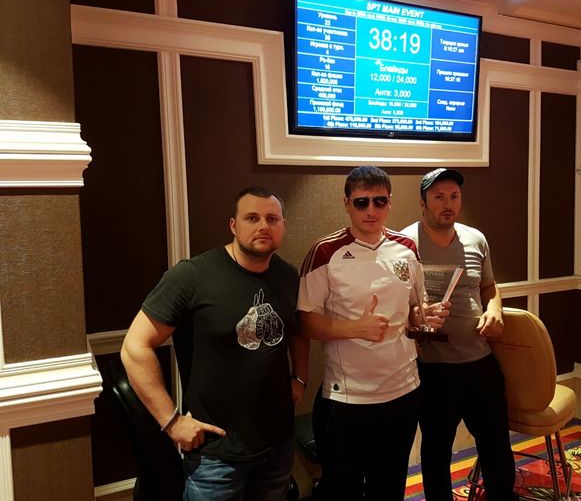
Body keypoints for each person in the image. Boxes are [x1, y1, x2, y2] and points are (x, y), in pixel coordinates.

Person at [121, 186, 309, 501]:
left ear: (283, 226)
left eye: (272, 219)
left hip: (277, 444)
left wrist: (300, 377)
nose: (263, 226)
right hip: (216, 455)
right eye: (252, 218)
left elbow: (298, 330)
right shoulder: (192, 276)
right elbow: (134, 347)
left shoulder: (288, 276)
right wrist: (171, 422)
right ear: (233, 225)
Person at [297, 165, 448, 501]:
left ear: (389, 203)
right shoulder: (325, 252)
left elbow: (415, 307)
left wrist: (426, 316)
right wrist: (355, 328)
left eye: (379, 201)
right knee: (344, 490)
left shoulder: (406, 247)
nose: (371, 210)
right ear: (347, 204)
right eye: (361, 202)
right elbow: (305, 322)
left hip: (404, 391)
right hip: (348, 398)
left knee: (390, 487)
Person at [401, 168, 516, 501]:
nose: (448, 204)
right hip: (433, 367)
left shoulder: (476, 239)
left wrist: (495, 308)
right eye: (438, 197)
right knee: (436, 450)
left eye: (454, 196)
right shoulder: (405, 244)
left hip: (480, 360)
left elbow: (489, 286)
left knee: (496, 443)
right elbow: (397, 304)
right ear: (423, 203)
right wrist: (416, 315)